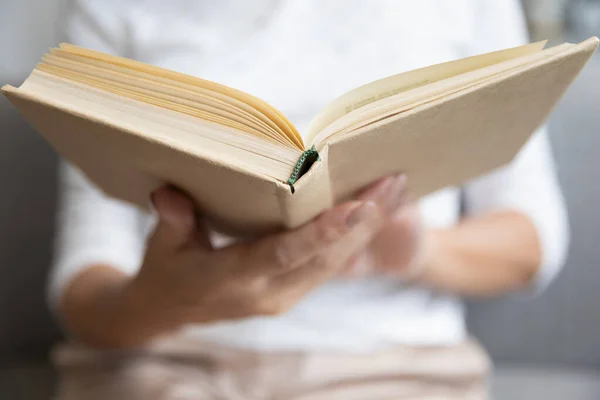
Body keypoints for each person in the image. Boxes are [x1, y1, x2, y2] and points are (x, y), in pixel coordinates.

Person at [49, 1, 569, 399]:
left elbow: (531, 243)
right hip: (170, 364)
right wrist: (160, 301)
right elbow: (84, 285)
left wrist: (410, 254)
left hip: (392, 366)